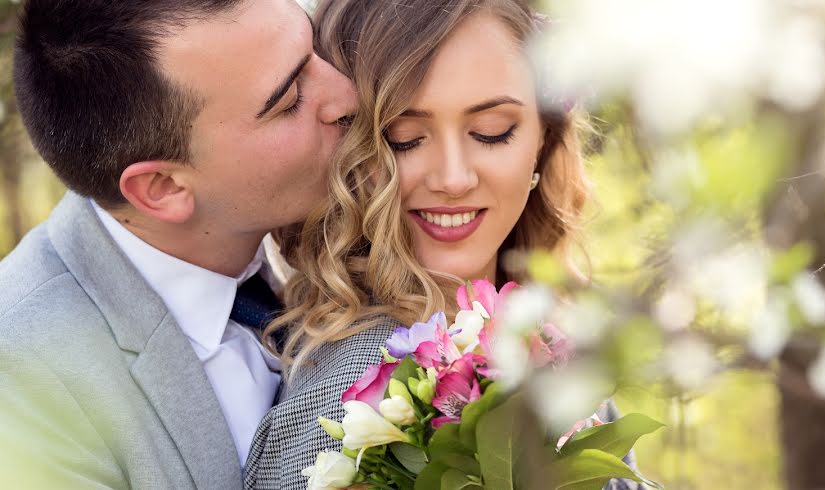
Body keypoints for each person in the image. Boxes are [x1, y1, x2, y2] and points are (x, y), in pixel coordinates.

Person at [244, 1, 643, 489]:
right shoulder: (351, 394)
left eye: (491, 132)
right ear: (344, 149)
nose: (453, 179)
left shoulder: (551, 336)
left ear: (543, 137)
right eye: (403, 138)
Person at [0, 0, 355, 488]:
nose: (349, 94)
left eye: (313, 44)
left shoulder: (339, 227)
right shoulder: (25, 388)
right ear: (164, 189)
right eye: (290, 97)